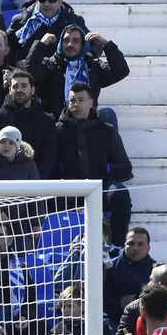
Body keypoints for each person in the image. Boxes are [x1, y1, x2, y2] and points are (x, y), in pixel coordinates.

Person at [55, 84, 134, 243]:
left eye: (81, 100)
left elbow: (125, 167)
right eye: (72, 100)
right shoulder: (57, 130)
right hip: (70, 186)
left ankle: (117, 246)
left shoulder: (107, 130)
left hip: (101, 184)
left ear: (91, 103)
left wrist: (106, 168)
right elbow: (49, 165)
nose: (75, 104)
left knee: (120, 194)